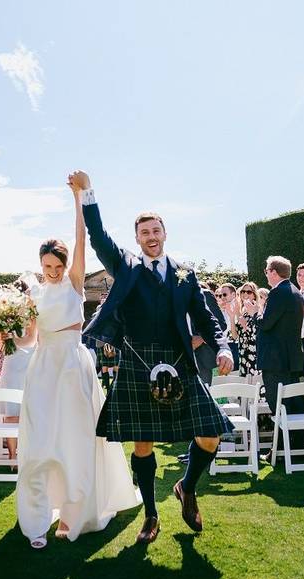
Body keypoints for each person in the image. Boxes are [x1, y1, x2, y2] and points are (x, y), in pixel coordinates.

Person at [73, 169, 234, 545]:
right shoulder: (125, 266)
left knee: (210, 434)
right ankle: (150, 514)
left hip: (179, 362)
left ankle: (186, 486)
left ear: (165, 234)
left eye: (156, 231)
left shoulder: (185, 274)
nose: (151, 237)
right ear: (137, 239)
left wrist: (223, 346)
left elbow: (207, 317)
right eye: (144, 232)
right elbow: (98, 237)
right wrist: (88, 193)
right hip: (136, 361)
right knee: (142, 444)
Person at [16, 187, 139, 550]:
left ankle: (74, 513)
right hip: (41, 369)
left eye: (58, 266)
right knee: (38, 443)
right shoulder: (33, 294)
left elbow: (80, 236)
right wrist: (9, 332)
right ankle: (36, 519)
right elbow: (27, 340)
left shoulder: (73, 282)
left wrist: (78, 199)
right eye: (47, 267)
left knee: (75, 440)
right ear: (40, 265)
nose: (53, 272)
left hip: (72, 365)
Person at [255, 256, 304, 444]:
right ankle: (296, 443)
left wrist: (256, 313)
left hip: (275, 360)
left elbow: (266, 323)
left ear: (274, 272)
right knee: (292, 403)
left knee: (278, 404)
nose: (266, 274)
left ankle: (283, 447)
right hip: (290, 358)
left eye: (267, 270)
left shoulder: (278, 293)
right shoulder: (295, 292)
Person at [0, 279, 37, 464]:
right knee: (12, 412)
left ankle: (28, 453)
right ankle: (12, 455)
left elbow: (31, 340)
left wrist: (13, 339)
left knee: (28, 411)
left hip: (29, 362)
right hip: (11, 364)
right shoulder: (4, 314)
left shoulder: (32, 314)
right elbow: (1, 346)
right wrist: (4, 338)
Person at [193, 282, 229, 385]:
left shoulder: (205, 295)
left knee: (204, 394)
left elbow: (221, 324)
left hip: (203, 358)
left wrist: (201, 339)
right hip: (179, 356)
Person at [236, 282, 262, 380]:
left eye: (249, 292)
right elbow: (236, 335)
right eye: (243, 291)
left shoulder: (257, 310)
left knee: (254, 383)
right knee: (244, 383)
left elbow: (257, 333)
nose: (245, 294)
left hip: (253, 351)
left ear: (254, 295)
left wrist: (245, 326)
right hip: (242, 351)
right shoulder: (242, 310)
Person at [216, 283, 241, 373]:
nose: (222, 297)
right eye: (220, 295)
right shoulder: (220, 310)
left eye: (225, 294)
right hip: (222, 346)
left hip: (235, 346)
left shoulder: (240, 309)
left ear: (233, 295)